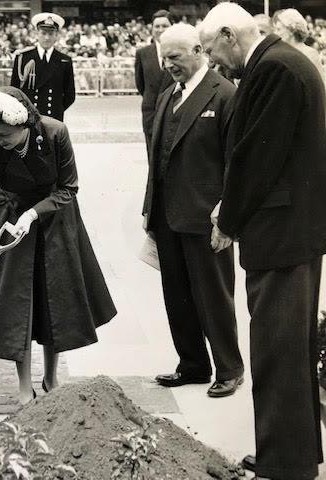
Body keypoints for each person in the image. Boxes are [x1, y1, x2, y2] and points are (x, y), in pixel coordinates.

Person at [199, 4, 326, 478]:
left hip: (281, 236)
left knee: (277, 353)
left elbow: (256, 158)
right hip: (295, 232)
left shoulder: (271, 68)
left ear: (231, 35)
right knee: (290, 352)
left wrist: (227, 221)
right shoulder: (286, 61)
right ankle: (292, 454)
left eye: (213, 51)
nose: (215, 64)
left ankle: (284, 464)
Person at [0, 87, 116, 405]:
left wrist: (34, 213)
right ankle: (23, 384)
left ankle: (51, 376)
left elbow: (69, 187)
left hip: (56, 218)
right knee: (19, 305)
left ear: (25, 126)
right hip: (10, 220)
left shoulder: (55, 132)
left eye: (4, 135)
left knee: (53, 301)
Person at [142, 24, 243, 397]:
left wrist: (226, 214)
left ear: (199, 50)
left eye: (175, 57)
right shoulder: (169, 94)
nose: (167, 64)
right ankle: (193, 364)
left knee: (214, 295)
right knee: (178, 295)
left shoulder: (224, 94)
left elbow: (236, 160)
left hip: (206, 217)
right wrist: (149, 209)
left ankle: (229, 368)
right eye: (164, 57)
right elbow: (158, 157)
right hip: (168, 215)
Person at [10, 12, 75, 121]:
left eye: (51, 34)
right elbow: (14, 90)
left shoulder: (64, 60)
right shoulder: (23, 57)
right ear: (37, 33)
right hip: (29, 118)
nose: (47, 37)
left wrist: (56, 109)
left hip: (53, 118)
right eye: (43, 33)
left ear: (56, 36)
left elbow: (70, 95)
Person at [135, 10, 175, 151]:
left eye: (165, 26)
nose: (160, 30)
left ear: (172, 27)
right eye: (157, 26)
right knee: (152, 157)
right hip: (151, 112)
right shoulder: (143, 54)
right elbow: (140, 84)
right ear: (151, 29)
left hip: (174, 112)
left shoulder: (181, 51)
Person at [272, 8, 325, 82]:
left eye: (278, 29)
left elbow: (321, 85)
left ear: (291, 31)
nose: (275, 33)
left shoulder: (310, 54)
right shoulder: (282, 53)